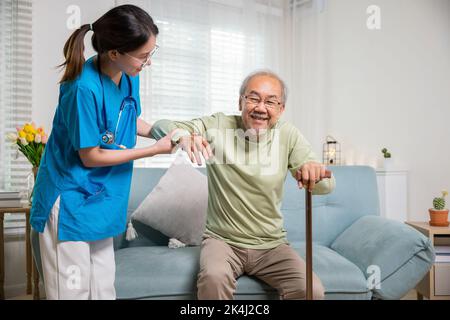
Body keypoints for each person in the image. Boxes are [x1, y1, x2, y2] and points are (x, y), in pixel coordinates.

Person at [29, 5, 192, 300]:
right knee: (72, 291)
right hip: (70, 200)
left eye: (151, 54)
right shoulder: (81, 87)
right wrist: (153, 151)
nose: (148, 63)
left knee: (103, 290)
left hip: (102, 199)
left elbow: (126, 120)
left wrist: (159, 129)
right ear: (115, 52)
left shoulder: (129, 75)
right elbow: (90, 156)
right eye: (143, 56)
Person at [150, 70, 336, 300]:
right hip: (222, 242)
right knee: (213, 279)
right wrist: (183, 136)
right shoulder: (219, 125)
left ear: (281, 109)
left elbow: (326, 186)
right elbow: (159, 126)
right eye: (253, 98)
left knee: (311, 291)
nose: (261, 107)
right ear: (241, 102)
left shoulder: (288, 135)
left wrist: (314, 173)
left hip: (272, 244)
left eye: (271, 101)